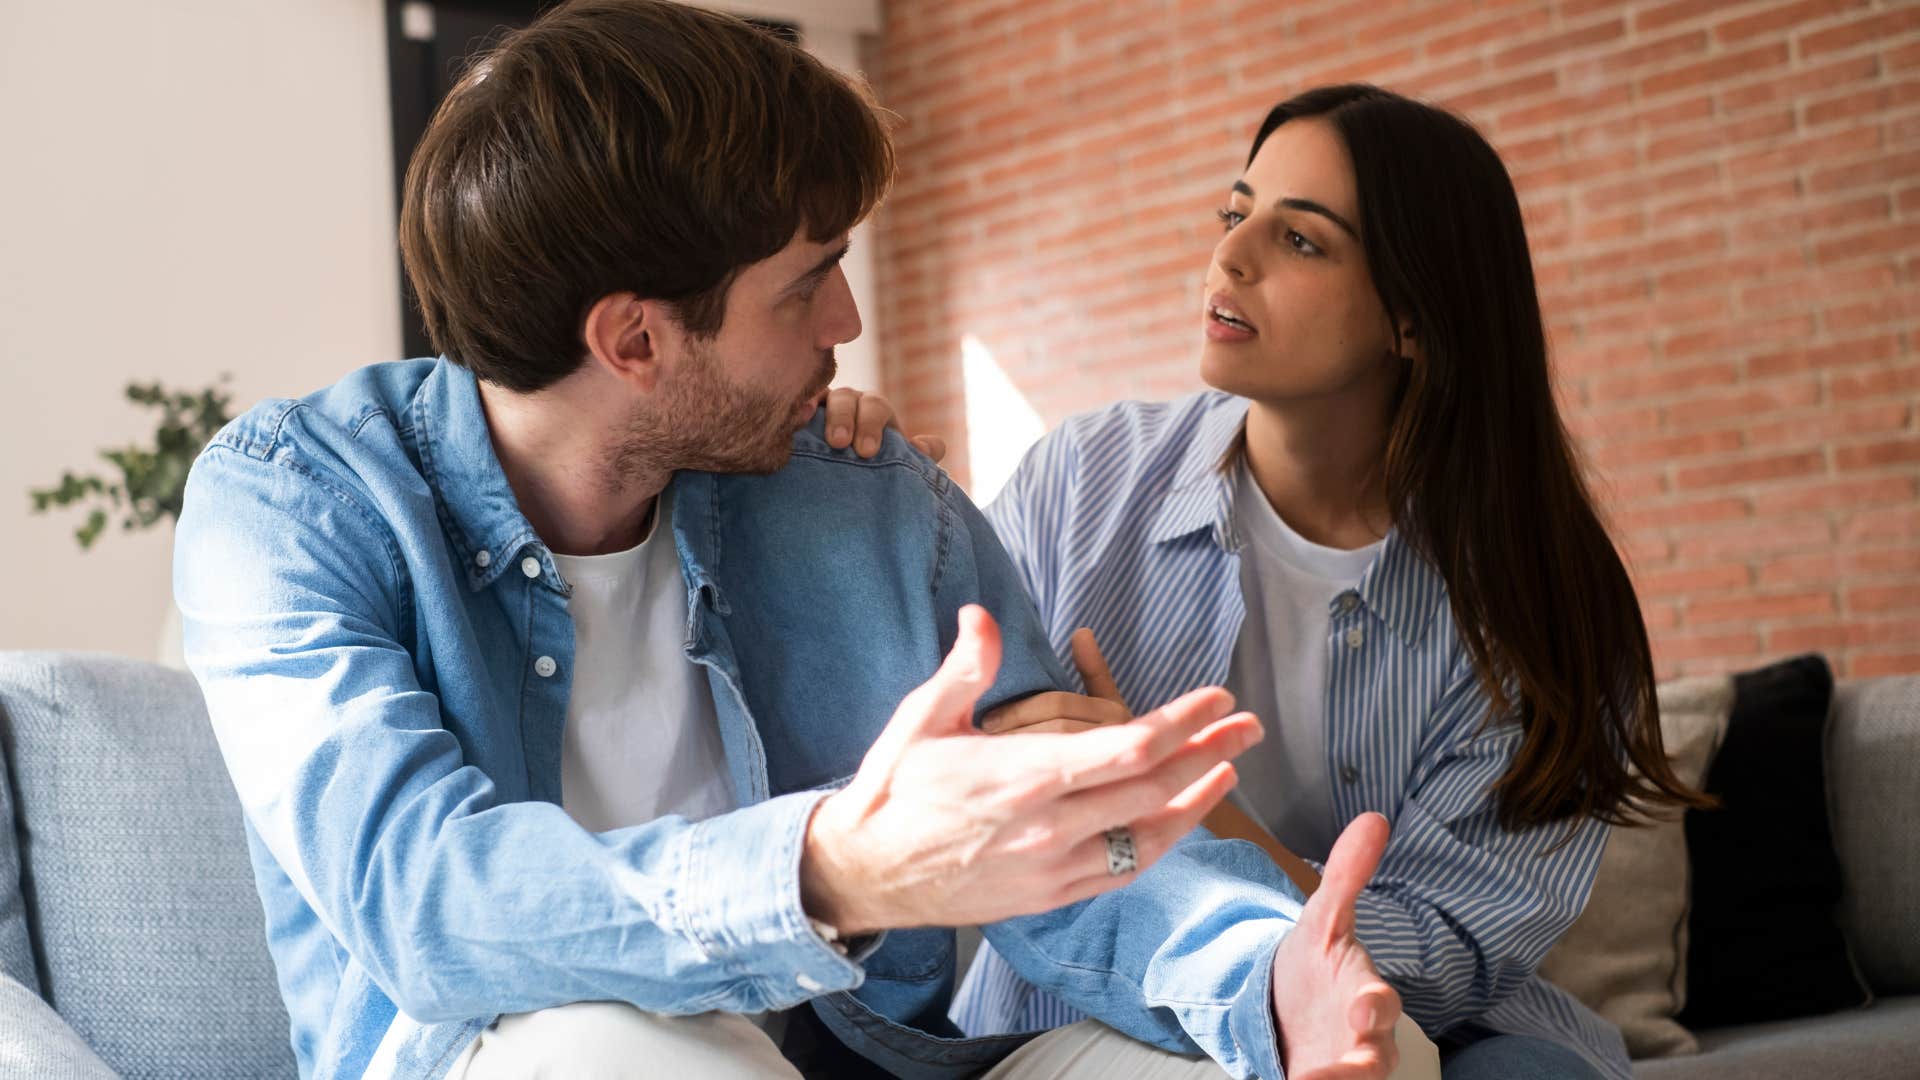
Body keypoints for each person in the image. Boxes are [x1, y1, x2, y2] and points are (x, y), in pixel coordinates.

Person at [173, 8, 1413, 1079]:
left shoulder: (858, 489)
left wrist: (1263, 975)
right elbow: (425, 901)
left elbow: (1061, 842)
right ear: (636, 344)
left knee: (1341, 1046)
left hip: (861, 1057)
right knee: (626, 1050)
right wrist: (839, 869)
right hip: (516, 1054)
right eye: (807, 282)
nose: (851, 319)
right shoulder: (296, 504)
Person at [909, 84, 1709, 1080]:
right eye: (1236, 214)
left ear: (1413, 318)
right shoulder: (1083, 481)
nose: (1229, 257)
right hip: (1084, 1005)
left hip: (1421, 1026)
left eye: (1301, 242)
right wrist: (866, 491)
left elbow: (1446, 959)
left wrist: (1181, 802)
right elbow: (929, 773)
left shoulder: (1540, 603)